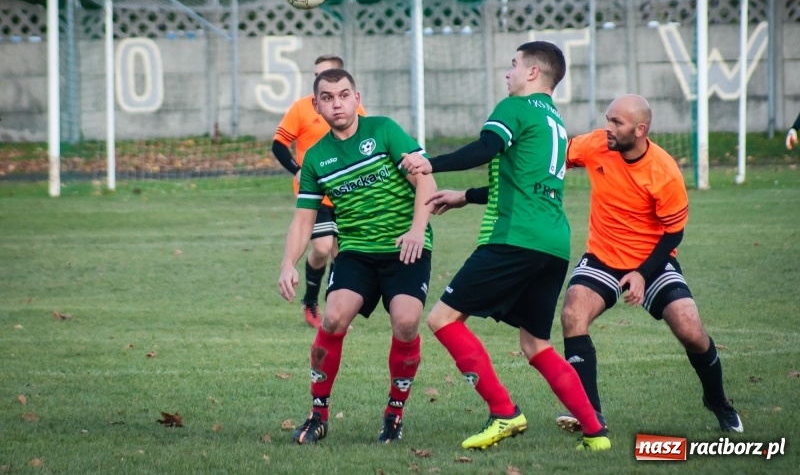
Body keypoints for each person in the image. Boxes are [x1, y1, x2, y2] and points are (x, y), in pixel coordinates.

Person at [400, 41, 610, 451]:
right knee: (536, 344)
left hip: (514, 238)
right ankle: (595, 433)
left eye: (513, 65)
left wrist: (432, 163)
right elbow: (523, 182)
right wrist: (466, 196)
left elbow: (486, 149)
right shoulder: (555, 122)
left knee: (442, 319)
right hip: (552, 243)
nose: (507, 73)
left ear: (533, 73)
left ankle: (504, 412)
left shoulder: (513, 107)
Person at [554, 94, 743, 434]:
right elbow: (555, 156)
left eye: (617, 123)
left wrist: (641, 273)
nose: (607, 128)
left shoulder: (664, 171)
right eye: (607, 119)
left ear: (640, 130)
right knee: (572, 314)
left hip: (652, 261)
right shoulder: (596, 145)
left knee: (691, 330)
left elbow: (673, 234)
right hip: (603, 255)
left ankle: (719, 402)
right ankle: (591, 415)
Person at [278, 68, 436, 445]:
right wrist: (288, 263)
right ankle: (318, 416)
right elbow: (304, 219)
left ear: (357, 97)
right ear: (316, 106)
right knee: (332, 318)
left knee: (406, 323)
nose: (337, 104)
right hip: (357, 253)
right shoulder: (316, 158)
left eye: (344, 95)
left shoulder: (383, 131)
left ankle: (394, 416)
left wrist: (417, 230)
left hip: (405, 248)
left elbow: (425, 180)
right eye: (328, 98)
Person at [272, 54, 367, 328]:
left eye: (324, 74)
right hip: (316, 194)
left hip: (346, 192)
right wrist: (297, 170)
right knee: (322, 248)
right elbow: (279, 144)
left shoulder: (354, 110)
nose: (319, 79)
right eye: (315, 76)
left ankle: (335, 312)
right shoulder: (302, 108)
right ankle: (311, 302)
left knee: (343, 254)